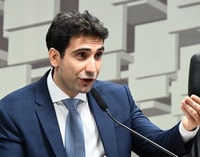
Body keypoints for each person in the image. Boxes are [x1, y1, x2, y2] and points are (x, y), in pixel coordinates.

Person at [0, 10, 200, 157]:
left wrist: (187, 126)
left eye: (98, 55)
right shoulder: (13, 111)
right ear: (55, 57)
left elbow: (157, 147)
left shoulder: (117, 98)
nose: (92, 68)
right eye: (82, 55)